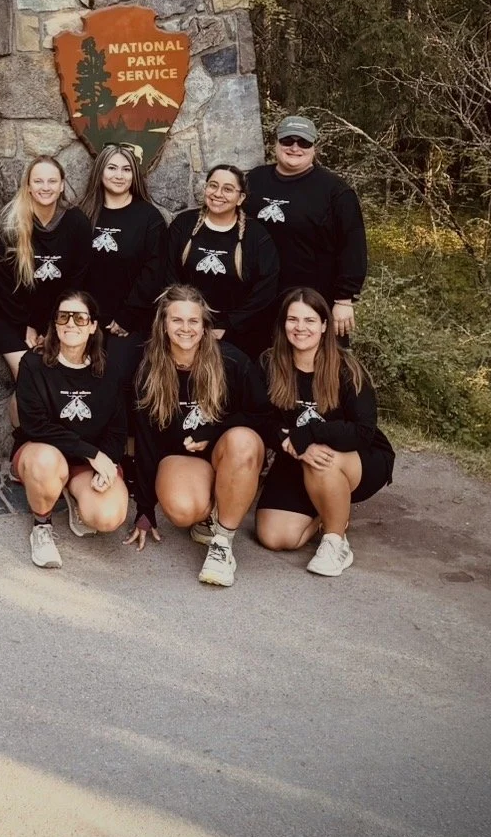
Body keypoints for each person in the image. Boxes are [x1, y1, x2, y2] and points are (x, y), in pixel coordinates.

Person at [125, 285, 271, 587]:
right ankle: (214, 511)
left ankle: (222, 542)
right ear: (163, 325)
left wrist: (216, 430)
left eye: (194, 321)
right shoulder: (148, 368)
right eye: (177, 320)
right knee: (182, 510)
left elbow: (263, 416)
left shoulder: (231, 361)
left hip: (227, 453)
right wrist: (144, 508)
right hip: (183, 458)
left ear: (205, 327)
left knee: (242, 440)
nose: (186, 328)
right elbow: (146, 440)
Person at [255, 287, 395, 576]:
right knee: (275, 537)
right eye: (293, 320)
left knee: (323, 458)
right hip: (297, 457)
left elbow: (363, 431)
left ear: (323, 325)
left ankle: (335, 541)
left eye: (309, 320)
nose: (300, 327)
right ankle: (327, 510)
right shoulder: (270, 363)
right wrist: (285, 440)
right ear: (283, 324)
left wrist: (310, 435)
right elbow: (260, 417)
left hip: (358, 458)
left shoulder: (347, 369)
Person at [11, 290, 133, 569]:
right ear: (54, 323)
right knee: (45, 461)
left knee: (108, 517)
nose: (70, 324)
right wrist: (91, 453)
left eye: (80, 318)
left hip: (86, 463)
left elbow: (117, 429)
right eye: (63, 317)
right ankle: (42, 525)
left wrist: (109, 462)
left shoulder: (109, 370)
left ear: (92, 326)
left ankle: (72, 493)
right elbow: (35, 426)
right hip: (43, 452)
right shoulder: (33, 364)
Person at [244, 115, 367, 344]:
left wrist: (344, 300)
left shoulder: (336, 192)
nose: (294, 148)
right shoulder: (254, 180)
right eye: (287, 141)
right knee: (262, 366)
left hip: (313, 303)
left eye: (303, 142)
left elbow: (353, 246)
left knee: (317, 370)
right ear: (276, 144)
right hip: (259, 298)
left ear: (314, 148)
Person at [0, 155, 93, 401]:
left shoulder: (77, 223)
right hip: (10, 315)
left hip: (56, 317)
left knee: (58, 379)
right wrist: (26, 324)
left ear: (62, 185)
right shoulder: (8, 223)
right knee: (28, 376)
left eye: (52, 181)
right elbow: (3, 285)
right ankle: (25, 439)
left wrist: (52, 325)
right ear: (28, 186)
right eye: (39, 181)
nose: (46, 187)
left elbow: (76, 281)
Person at [164, 165, 279, 358]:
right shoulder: (183, 225)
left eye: (227, 189)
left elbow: (266, 289)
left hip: (237, 335)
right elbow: (167, 272)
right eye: (213, 186)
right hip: (185, 329)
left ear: (241, 197)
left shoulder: (256, 236)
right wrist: (191, 322)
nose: (218, 194)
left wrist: (227, 325)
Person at [78, 143, 166, 355]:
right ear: (99, 172)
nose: (119, 175)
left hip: (129, 325)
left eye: (126, 169)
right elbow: (74, 270)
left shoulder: (149, 218)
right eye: (112, 168)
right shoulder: (83, 215)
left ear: (134, 175)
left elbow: (154, 273)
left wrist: (128, 317)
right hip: (84, 322)